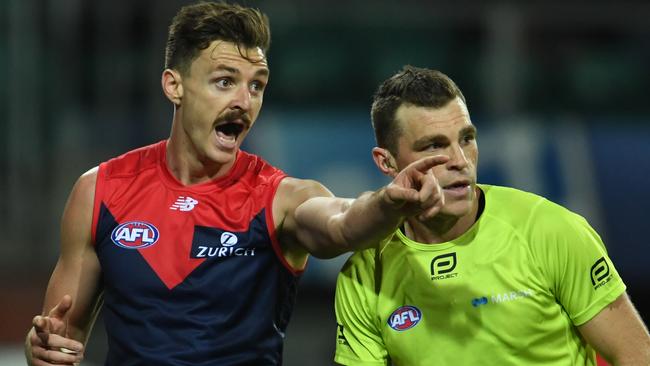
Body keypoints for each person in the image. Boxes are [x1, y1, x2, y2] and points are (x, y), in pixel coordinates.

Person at [24, 3, 451, 366]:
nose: (244, 102)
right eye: (225, 81)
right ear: (175, 86)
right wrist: (40, 349)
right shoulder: (100, 191)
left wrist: (388, 203)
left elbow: (342, 222)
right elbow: (61, 338)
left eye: (257, 85)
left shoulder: (279, 198)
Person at [333, 66, 650, 365]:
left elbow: (637, 355)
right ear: (387, 162)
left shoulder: (550, 230)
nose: (459, 160)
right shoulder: (365, 273)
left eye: (466, 139)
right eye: (433, 146)